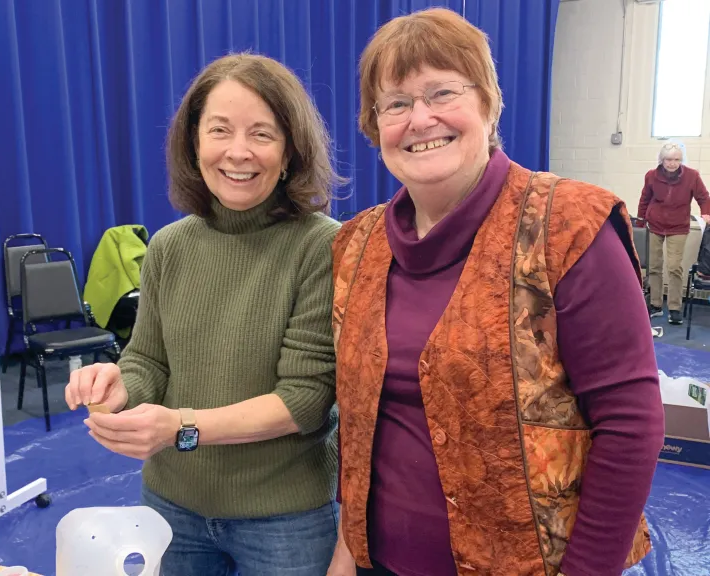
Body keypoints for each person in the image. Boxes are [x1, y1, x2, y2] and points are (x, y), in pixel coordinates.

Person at [327, 8, 664, 576]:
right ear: (374, 124)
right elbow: (363, 427)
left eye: (442, 92)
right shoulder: (355, 245)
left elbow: (630, 422)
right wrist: (346, 550)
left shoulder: (568, 227)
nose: (421, 118)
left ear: (487, 103)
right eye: (396, 103)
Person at [64, 53, 343, 576]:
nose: (238, 152)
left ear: (289, 154)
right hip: (173, 507)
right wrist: (119, 385)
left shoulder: (321, 246)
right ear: (195, 146)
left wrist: (179, 428)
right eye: (220, 130)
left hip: (284, 517)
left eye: (262, 133)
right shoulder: (170, 246)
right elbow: (149, 359)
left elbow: (304, 400)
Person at [637, 140, 710, 324]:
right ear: (661, 159)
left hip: (678, 226)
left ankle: (675, 307)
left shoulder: (692, 176)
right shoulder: (651, 176)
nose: (672, 163)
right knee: (654, 266)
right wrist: (640, 220)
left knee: (674, 267)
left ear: (681, 160)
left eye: (677, 159)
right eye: (668, 159)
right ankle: (655, 305)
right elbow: (645, 198)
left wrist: (706, 213)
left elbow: (703, 197)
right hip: (654, 224)